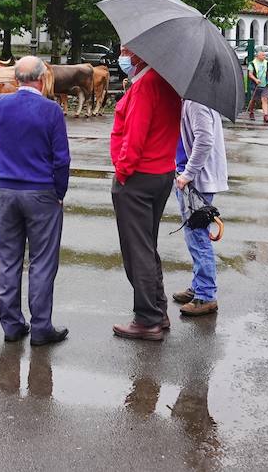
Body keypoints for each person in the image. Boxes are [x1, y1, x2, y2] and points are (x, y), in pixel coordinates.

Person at [0, 56, 71, 347]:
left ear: (16, 80)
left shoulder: (0, 104)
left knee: (9, 259)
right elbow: (61, 160)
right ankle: (41, 328)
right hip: (41, 193)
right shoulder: (52, 111)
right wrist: (59, 193)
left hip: (7, 192)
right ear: (41, 79)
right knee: (42, 262)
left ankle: (12, 325)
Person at [110, 45, 182, 341]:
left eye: (127, 49)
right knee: (146, 245)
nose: (123, 54)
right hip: (161, 172)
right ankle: (159, 310)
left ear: (140, 54)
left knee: (136, 250)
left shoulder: (146, 86)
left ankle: (147, 319)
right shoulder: (167, 82)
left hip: (139, 176)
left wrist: (122, 171)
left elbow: (135, 136)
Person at [171, 99, 229, 317]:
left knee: (198, 238)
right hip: (193, 179)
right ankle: (198, 286)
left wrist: (187, 174)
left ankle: (206, 294)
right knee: (194, 236)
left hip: (196, 182)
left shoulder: (196, 103)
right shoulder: (195, 100)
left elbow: (204, 140)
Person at [245, 51, 268, 125]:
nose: (264, 56)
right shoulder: (252, 63)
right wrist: (256, 80)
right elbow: (250, 74)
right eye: (263, 55)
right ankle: (251, 112)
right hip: (255, 85)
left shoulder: (267, 63)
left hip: (265, 85)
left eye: (264, 55)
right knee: (253, 100)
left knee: (265, 99)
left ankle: (265, 116)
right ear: (258, 56)